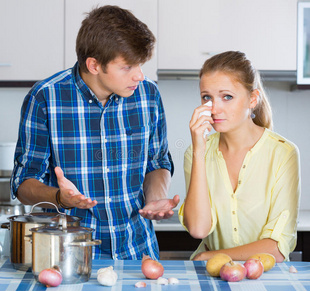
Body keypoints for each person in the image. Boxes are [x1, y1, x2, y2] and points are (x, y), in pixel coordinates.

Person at [11, 5, 179, 260]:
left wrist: (155, 199)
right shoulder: (46, 98)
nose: (139, 75)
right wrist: (60, 197)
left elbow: (157, 161)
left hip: (138, 252)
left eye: (141, 65)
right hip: (68, 256)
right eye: (127, 67)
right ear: (94, 65)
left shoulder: (148, 95)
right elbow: (24, 183)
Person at [179, 51, 300, 262]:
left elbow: (276, 248)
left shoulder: (283, 153)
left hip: (265, 279)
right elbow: (198, 229)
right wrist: (199, 151)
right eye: (207, 97)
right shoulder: (196, 153)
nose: (214, 108)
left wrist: (210, 256)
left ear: (252, 99)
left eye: (227, 97)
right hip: (214, 275)